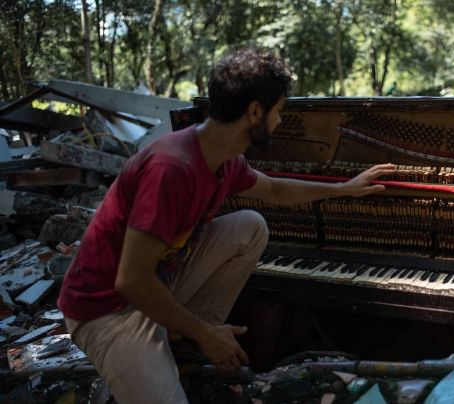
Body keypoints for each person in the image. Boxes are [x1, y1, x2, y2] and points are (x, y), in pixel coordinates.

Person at [57, 47, 394, 403]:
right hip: (106, 309)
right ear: (254, 112)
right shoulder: (171, 169)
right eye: (278, 112)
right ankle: (196, 335)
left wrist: (343, 189)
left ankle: (183, 342)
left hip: (153, 285)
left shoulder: (225, 159)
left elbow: (275, 189)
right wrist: (206, 333)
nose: (279, 122)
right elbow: (131, 281)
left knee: (249, 226)